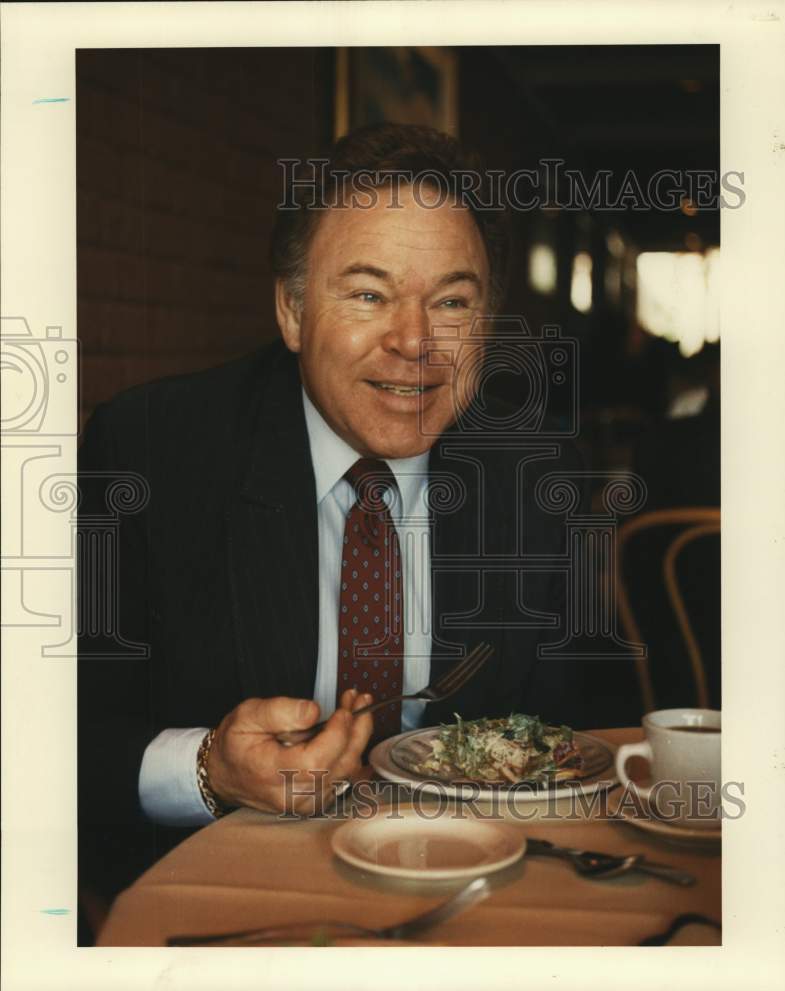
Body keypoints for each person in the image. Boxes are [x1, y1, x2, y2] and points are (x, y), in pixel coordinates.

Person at [78, 123, 588, 903]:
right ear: (290, 311)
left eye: (451, 300)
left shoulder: (536, 475)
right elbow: (51, 738)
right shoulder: (150, 452)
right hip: (225, 904)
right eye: (367, 295)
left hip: (471, 901)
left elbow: (578, 733)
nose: (413, 340)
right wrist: (208, 768)